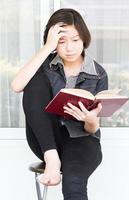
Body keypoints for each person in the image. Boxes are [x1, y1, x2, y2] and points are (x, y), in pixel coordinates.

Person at [11, 8, 108, 200]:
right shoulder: (45, 64)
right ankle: (52, 158)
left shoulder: (98, 73)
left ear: (84, 39)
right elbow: (16, 85)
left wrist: (90, 120)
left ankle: (56, 161)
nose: (70, 48)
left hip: (82, 139)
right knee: (33, 80)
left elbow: (93, 128)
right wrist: (47, 47)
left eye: (75, 40)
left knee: (74, 182)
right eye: (62, 41)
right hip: (47, 139)